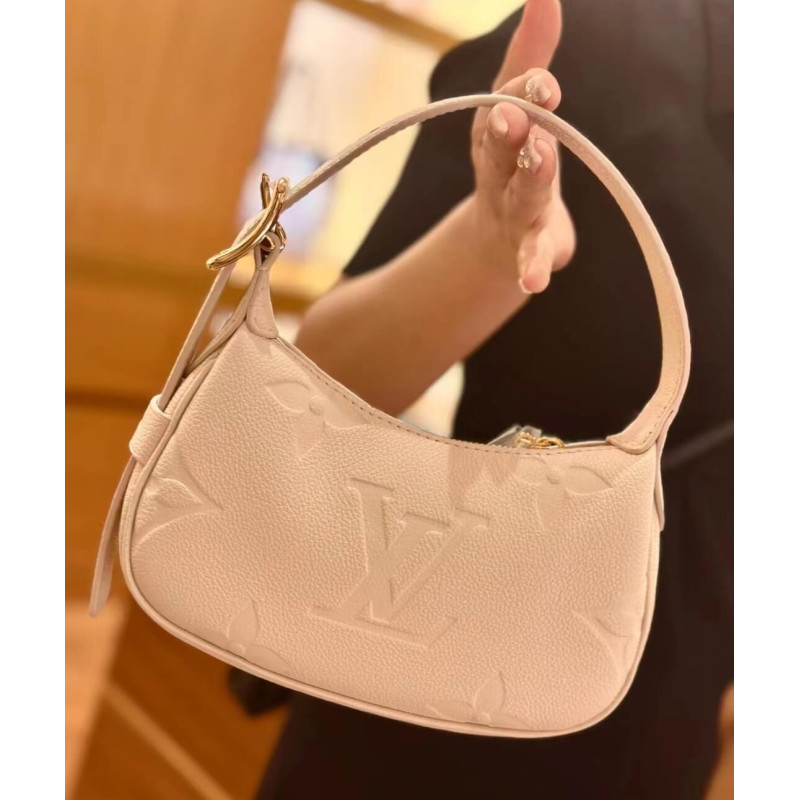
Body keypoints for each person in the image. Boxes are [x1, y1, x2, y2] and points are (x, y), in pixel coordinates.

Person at [252, 1, 733, 797]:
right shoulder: (604, 41)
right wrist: (488, 244)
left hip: (670, 733)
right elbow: (322, 387)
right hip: (448, 701)